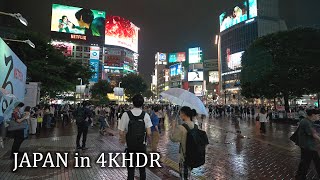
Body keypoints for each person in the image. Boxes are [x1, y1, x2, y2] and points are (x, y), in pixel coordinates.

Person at [118, 94, 153, 180]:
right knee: (142, 170)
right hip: (141, 147)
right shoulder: (146, 115)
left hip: (130, 147)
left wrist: (122, 139)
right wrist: (150, 144)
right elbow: (149, 133)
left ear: (132, 103)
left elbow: (121, 132)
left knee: (130, 170)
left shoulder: (126, 115)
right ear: (142, 103)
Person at [170, 106, 195, 179]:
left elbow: (173, 138)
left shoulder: (181, 127)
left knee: (184, 177)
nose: (180, 115)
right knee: (188, 174)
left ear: (184, 114)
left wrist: (173, 127)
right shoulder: (195, 126)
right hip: (193, 155)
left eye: (180, 113)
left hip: (184, 156)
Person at [295, 109, 320, 179]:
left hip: (309, 145)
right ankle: (300, 176)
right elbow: (314, 134)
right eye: (318, 115)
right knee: (306, 163)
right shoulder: (306, 122)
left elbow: (314, 133)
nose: (319, 117)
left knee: (311, 161)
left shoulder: (307, 121)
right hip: (308, 146)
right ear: (313, 115)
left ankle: (299, 176)